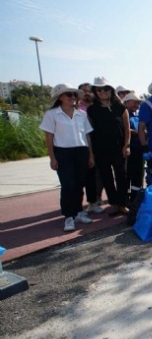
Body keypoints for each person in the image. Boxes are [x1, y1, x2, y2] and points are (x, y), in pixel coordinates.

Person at [39, 84, 94, 231]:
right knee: (68, 184)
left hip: (81, 151)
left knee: (79, 184)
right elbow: (49, 137)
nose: (72, 97)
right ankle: (69, 216)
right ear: (60, 97)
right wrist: (52, 157)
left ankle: (79, 212)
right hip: (63, 152)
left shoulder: (81, 114)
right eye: (69, 94)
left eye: (74, 95)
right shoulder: (51, 114)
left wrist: (91, 155)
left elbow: (87, 136)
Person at [86, 77, 131, 215]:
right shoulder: (91, 110)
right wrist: (91, 153)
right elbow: (89, 133)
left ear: (111, 90)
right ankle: (115, 203)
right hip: (100, 151)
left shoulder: (121, 107)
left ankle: (123, 204)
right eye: (99, 89)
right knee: (106, 178)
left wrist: (126, 145)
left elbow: (127, 128)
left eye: (105, 89)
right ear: (95, 91)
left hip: (119, 148)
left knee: (121, 176)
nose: (102, 92)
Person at [77, 82, 103, 213]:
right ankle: (79, 206)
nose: (87, 93)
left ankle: (95, 200)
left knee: (97, 174)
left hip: (98, 144)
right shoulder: (77, 108)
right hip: (82, 145)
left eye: (89, 91)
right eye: (84, 91)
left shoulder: (98, 106)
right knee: (82, 176)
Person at [123, 93, 144, 201]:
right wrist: (139, 132)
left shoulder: (138, 115)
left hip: (138, 149)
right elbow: (126, 129)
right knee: (127, 175)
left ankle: (135, 198)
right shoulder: (123, 113)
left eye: (138, 102)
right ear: (127, 102)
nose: (137, 104)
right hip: (128, 150)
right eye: (135, 102)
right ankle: (125, 199)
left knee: (138, 174)